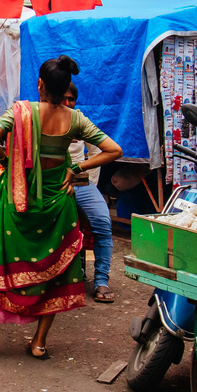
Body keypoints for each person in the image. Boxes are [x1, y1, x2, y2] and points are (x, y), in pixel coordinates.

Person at [0, 56, 123, 359]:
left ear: (40, 84)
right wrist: (77, 168)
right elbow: (114, 150)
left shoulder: (21, 112)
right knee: (54, 271)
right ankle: (39, 343)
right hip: (58, 203)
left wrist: (7, 162)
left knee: (6, 267)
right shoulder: (75, 118)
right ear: (65, 87)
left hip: (19, 200)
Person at [62, 80, 119, 304]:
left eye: (71, 99)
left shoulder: (80, 119)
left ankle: (102, 280)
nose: (67, 103)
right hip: (52, 184)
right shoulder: (43, 119)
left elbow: (99, 150)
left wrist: (87, 177)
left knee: (103, 222)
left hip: (80, 182)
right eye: (63, 98)